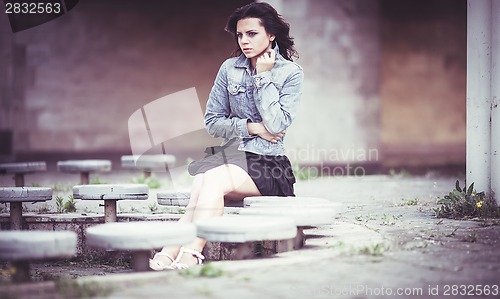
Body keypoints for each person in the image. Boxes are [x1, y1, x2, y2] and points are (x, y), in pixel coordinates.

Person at [149, 2, 304, 270]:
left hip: (268, 164)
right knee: (203, 184)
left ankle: (190, 253)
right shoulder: (229, 69)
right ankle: (172, 252)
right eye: (240, 35)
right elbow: (212, 122)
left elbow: (278, 124)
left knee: (211, 180)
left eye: (252, 34)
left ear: (271, 35)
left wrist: (263, 78)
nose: (244, 41)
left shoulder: (290, 73)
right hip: (232, 156)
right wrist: (251, 128)